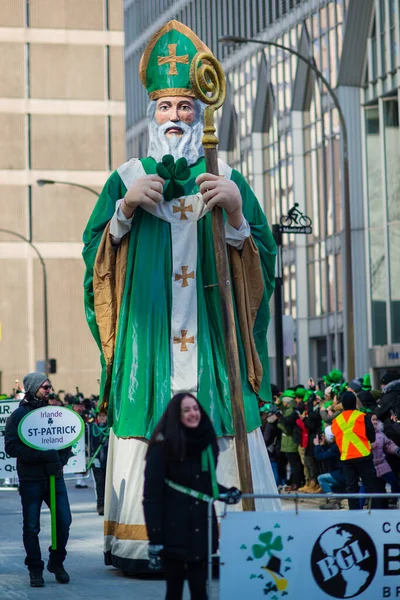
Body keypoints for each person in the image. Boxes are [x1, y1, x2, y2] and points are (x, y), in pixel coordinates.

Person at [82, 20, 279, 570]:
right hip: (152, 349)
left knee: (221, 414)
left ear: (201, 111)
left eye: (186, 106)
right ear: (152, 112)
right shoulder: (127, 175)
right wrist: (122, 211)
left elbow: (263, 259)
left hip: (213, 344)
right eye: (165, 106)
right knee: (151, 420)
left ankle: (230, 536)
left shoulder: (226, 173)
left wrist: (238, 213)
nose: (175, 117)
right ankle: (143, 541)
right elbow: (92, 260)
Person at [143, 392, 240, 600]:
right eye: (186, 410)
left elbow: (204, 484)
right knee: (174, 590)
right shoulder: (162, 446)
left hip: (201, 527)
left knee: (200, 590)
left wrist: (226, 493)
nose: (193, 414)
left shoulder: (206, 441)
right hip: (173, 528)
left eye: (195, 408)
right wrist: (155, 538)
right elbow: (151, 496)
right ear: (176, 415)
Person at [4, 372, 72, 587]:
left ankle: (56, 561)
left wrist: (60, 459)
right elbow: (11, 447)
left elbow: (66, 437)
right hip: (31, 480)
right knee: (32, 526)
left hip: (55, 478)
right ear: (33, 388)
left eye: (50, 387)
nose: (49, 390)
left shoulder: (55, 413)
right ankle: (35, 568)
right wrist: (41, 455)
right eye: (45, 387)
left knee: (64, 521)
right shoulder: (19, 416)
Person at [331, 391, 381, 510]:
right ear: (355, 402)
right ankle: (376, 513)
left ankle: (354, 516)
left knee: (351, 488)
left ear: (342, 404)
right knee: (372, 486)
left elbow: (336, 438)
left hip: (347, 458)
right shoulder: (362, 417)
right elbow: (372, 438)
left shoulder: (336, 421)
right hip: (364, 456)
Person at [313, 427, 345, 510]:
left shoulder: (336, 446)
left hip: (344, 473)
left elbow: (320, 456)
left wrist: (317, 445)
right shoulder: (339, 442)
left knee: (321, 478)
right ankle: (336, 501)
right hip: (344, 472)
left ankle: (332, 502)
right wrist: (323, 445)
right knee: (330, 485)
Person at [88, 412, 110, 515]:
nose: (102, 418)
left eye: (104, 415)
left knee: (108, 484)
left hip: (108, 460)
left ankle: (108, 505)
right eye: (100, 416)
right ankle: (100, 506)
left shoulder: (110, 429)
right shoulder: (92, 428)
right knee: (99, 484)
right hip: (96, 460)